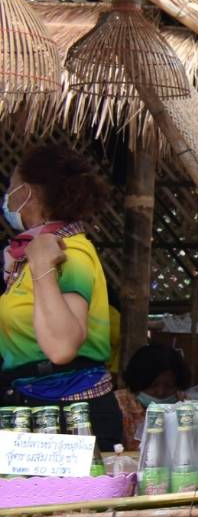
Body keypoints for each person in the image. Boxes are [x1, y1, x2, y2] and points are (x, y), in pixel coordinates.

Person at [0, 146, 123, 450]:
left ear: (26, 193)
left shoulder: (70, 253)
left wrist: (42, 265)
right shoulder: (25, 256)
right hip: (31, 404)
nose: (7, 197)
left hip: (71, 416)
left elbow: (61, 348)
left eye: (12, 187)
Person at [115, 342, 190, 447]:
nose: (160, 392)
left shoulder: (183, 405)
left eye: (170, 386)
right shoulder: (117, 404)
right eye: (153, 385)